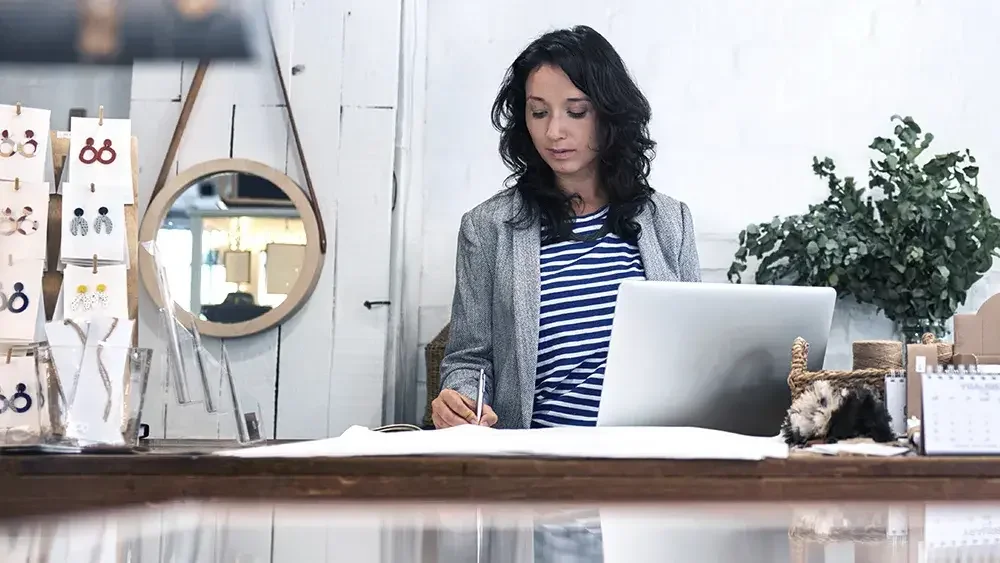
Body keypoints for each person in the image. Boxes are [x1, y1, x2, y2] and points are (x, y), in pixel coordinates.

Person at [431, 25, 701, 430]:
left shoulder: (669, 221)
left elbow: (696, 351)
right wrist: (462, 400)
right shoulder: (488, 228)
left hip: (644, 459)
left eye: (576, 112)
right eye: (539, 112)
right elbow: (468, 359)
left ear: (610, 116)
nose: (554, 131)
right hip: (537, 465)